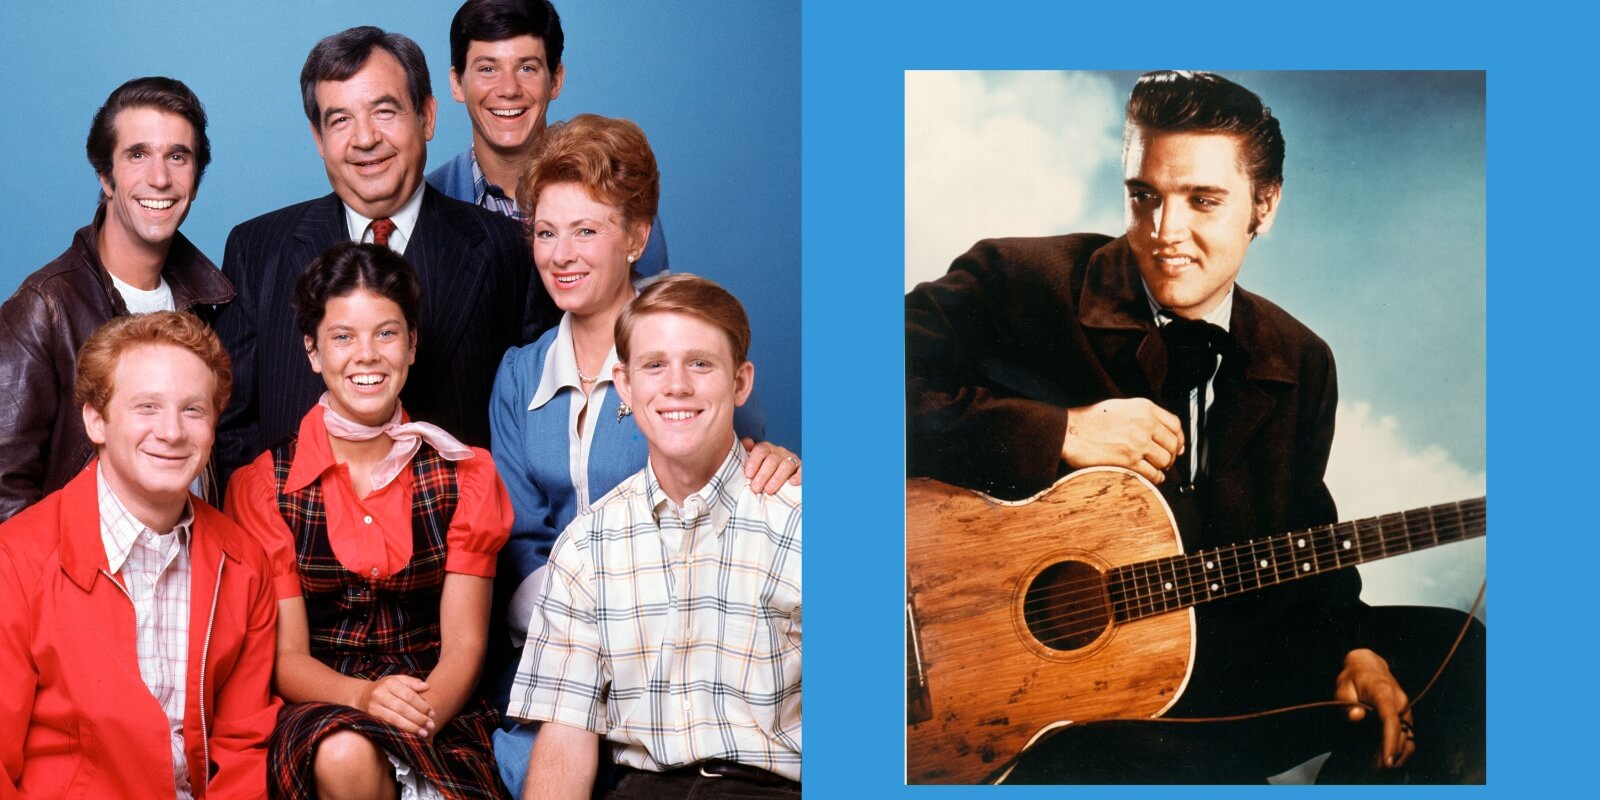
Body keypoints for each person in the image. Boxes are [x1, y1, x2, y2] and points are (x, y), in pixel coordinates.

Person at [904, 70, 1484, 783]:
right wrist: (1059, 432)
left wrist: (1353, 646)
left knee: (1451, 649)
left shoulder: (1301, 361)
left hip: (1222, 671)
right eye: (1144, 196)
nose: (1164, 233)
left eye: (1202, 201)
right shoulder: (1018, 280)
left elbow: (1305, 529)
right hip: (1051, 702)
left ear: (1264, 205)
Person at [486, 114, 799, 794]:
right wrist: (590, 627)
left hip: (688, 665)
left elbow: (745, 494)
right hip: (556, 655)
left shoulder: (687, 360)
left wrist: (781, 464)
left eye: (586, 230)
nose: (560, 254)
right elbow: (516, 538)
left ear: (637, 236)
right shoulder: (519, 372)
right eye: (545, 232)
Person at [225, 242, 513, 799]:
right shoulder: (266, 487)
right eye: (342, 337)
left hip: (435, 701)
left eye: (386, 333)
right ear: (312, 351)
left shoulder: (466, 476)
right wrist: (362, 699)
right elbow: (287, 659)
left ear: (411, 347)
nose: (367, 355)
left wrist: (417, 713)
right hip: (324, 701)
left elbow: (464, 646)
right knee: (345, 752)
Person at [215, 25, 554, 482]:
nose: (365, 138)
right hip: (293, 541)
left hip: (458, 538)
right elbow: (230, 429)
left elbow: (535, 421)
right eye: (340, 120)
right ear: (318, 138)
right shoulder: (257, 249)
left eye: (385, 111)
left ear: (428, 117)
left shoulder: (506, 249)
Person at [0, 311, 279, 798]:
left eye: (193, 409)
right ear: (95, 419)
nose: (172, 432)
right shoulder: (17, 560)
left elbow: (242, 746)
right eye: (147, 407)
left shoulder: (243, 562)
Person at [0, 76, 233, 521]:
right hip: (82, 580)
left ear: (196, 179)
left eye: (177, 157)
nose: (160, 178)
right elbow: (5, 492)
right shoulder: (43, 308)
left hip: (192, 571)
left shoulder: (210, 304)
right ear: (106, 176)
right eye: (138, 155)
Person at [427, 0, 668, 280]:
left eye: (527, 68)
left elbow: (650, 312)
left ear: (555, 80)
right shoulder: (426, 205)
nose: (508, 89)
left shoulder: (617, 190)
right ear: (457, 83)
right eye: (487, 69)